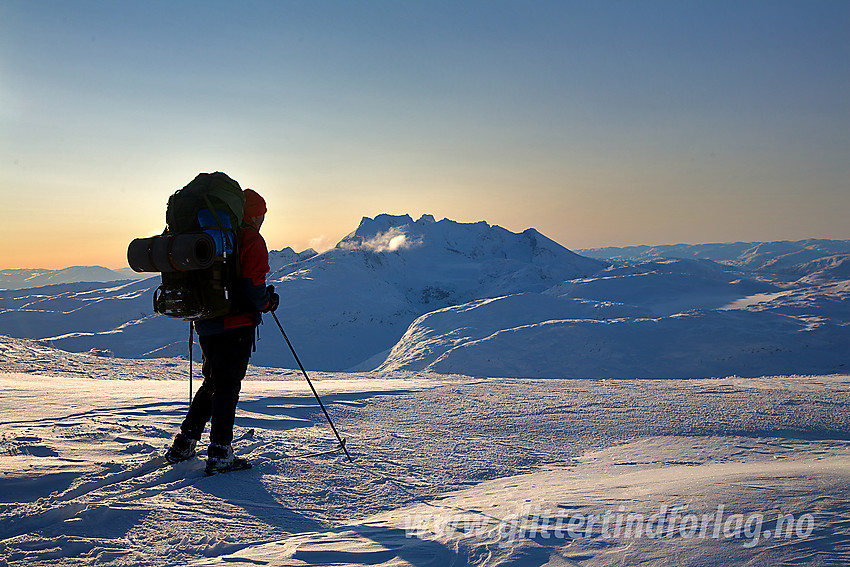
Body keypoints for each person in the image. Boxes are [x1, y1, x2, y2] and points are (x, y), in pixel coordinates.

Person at [165, 188, 280, 473]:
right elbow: (253, 287)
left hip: (206, 319)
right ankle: (219, 452)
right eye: (261, 216)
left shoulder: (215, 235)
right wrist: (268, 301)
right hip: (236, 323)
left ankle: (184, 443)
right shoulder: (249, 238)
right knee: (227, 385)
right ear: (255, 214)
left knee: (213, 382)